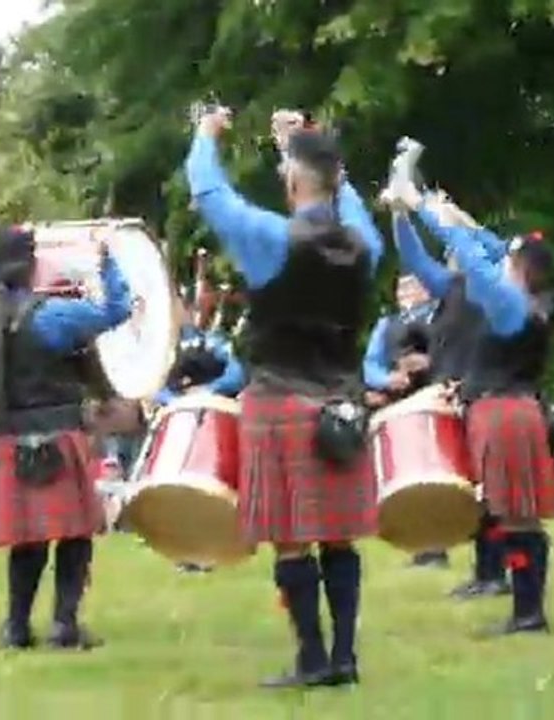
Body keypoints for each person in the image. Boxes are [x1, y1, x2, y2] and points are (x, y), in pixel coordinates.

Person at [185, 107, 382, 687]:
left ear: (293, 183)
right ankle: (345, 658)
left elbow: (209, 190)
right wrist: (295, 145)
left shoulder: (271, 238)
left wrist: (205, 135)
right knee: (339, 536)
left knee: (292, 543)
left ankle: (312, 660)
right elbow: (344, 202)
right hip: (342, 401)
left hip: (280, 400)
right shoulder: (363, 244)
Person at [391, 184, 554, 634]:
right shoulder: (521, 301)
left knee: (517, 515)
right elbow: (478, 249)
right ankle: (527, 611)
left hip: (504, 410)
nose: (499, 260)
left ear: (520, 267)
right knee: (512, 513)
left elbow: (470, 254)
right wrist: (404, 214)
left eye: (508, 257)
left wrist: (425, 205)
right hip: (502, 406)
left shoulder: (510, 302)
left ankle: (528, 614)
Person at [0, 224, 131, 650]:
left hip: (4, 436)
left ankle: (16, 626)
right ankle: (64, 624)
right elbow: (117, 309)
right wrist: (107, 260)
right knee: (74, 535)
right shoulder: (52, 316)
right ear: (31, 262)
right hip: (59, 433)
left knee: (27, 539)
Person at [386, 193, 511, 599]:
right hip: (454, 395)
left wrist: (452, 217)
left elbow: (490, 246)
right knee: (472, 488)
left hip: (484, 391)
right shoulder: (452, 285)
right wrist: (400, 215)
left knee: (489, 490)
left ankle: (497, 575)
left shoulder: (492, 279)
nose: (451, 253)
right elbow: (415, 258)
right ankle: (485, 571)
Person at [153, 290, 246, 573]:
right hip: (179, 422)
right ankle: (185, 551)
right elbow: (156, 384)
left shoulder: (216, 343)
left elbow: (237, 374)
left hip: (213, 423)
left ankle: (210, 549)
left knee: (210, 490)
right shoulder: (166, 347)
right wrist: (176, 402)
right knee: (179, 490)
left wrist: (206, 393)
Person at [363, 274, 449, 568]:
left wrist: (430, 363)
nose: (406, 291)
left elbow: (456, 354)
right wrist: (387, 379)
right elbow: (370, 363)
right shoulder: (386, 325)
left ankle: (438, 544)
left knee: (436, 475)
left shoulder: (443, 317)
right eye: (401, 286)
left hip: (437, 401)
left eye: (413, 285)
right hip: (400, 407)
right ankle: (421, 544)